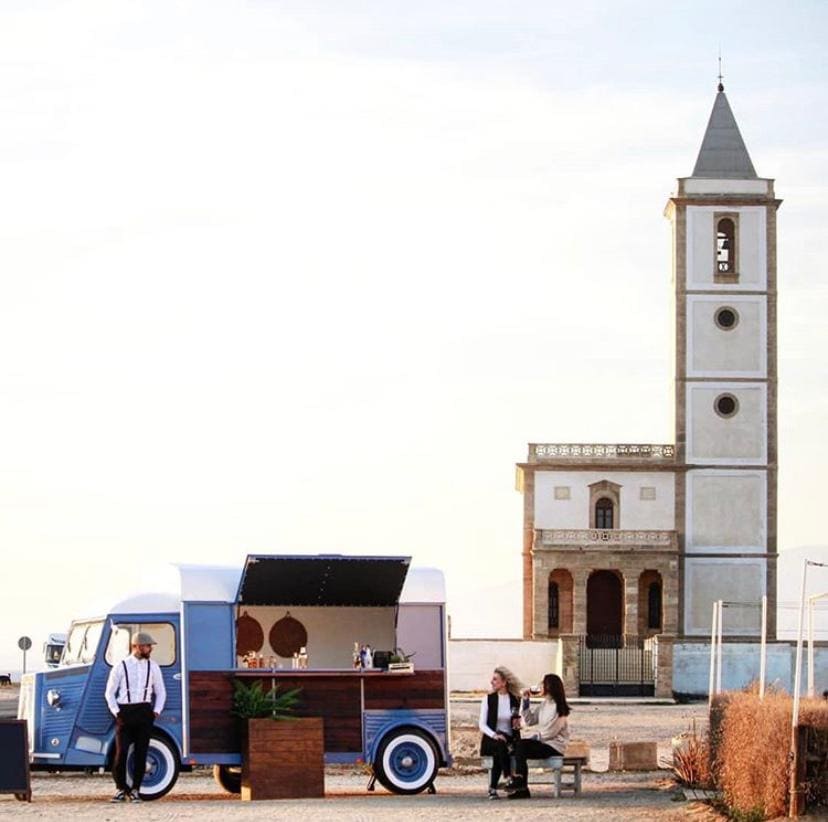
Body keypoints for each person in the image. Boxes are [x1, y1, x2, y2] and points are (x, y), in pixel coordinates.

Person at [104, 631, 167, 803]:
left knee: (141, 753)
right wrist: (117, 712)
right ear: (137, 646)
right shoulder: (121, 665)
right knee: (121, 752)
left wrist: (156, 711)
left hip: (144, 712)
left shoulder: (153, 666)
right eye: (147, 646)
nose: (150, 649)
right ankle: (120, 789)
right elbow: (109, 693)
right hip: (125, 712)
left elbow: (160, 692)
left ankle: (135, 790)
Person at [505, 672, 571, 799]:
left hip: (553, 745)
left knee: (522, 746)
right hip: (542, 742)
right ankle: (521, 786)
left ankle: (521, 785)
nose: (540, 686)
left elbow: (551, 732)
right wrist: (525, 701)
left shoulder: (559, 708)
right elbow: (530, 720)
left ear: (550, 687)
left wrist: (533, 738)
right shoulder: (545, 704)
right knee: (518, 746)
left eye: (543, 683)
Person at [478, 666, 522, 799]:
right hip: (491, 739)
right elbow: (482, 724)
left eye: (495, 679)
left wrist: (519, 723)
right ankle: (508, 777)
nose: (492, 682)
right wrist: (494, 735)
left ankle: (492, 789)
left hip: (509, 740)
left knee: (501, 748)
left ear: (504, 682)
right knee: (499, 744)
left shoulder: (515, 699)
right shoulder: (488, 699)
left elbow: (520, 723)